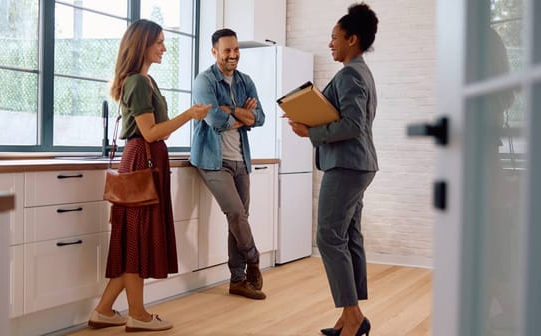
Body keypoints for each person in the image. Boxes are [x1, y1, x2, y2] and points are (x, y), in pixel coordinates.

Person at [87, 19, 210, 332]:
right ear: (143, 45)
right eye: (159, 42)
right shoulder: (139, 83)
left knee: (132, 239)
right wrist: (190, 115)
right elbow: (150, 132)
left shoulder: (144, 81)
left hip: (146, 160)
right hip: (143, 159)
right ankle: (138, 315)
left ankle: (103, 311)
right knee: (136, 240)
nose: (164, 48)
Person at [286, 4, 378, 336]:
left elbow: (353, 124)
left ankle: (352, 316)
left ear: (353, 39)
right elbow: (353, 120)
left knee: (328, 237)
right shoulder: (362, 72)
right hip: (359, 164)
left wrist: (309, 131)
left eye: (334, 37)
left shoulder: (351, 74)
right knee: (349, 236)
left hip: (347, 165)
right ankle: (351, 316)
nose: (330, 44)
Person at [190, 28, 267, 300]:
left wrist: (231, 109)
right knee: (235, 213)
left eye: (236, 49)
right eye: (227, 50)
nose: (233, 55)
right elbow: (214, 121)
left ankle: (238, 280)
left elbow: (260, 118)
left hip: (241, 158)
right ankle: (254, 258)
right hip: (213, 160)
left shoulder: (245, 81)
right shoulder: (205, 81)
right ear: (214, 52)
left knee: (238, 220)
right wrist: (241, 115)